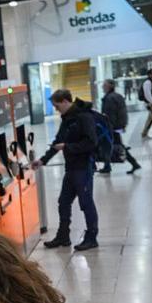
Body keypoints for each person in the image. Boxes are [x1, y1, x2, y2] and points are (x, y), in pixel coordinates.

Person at [34, 90, 99, 251]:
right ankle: (63, 236)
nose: (56, 109)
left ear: (64, 101)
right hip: (71, 168)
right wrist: (43, 160)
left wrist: (68, 147)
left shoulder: (83, 117)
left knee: (86, 203)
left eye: (57, 106)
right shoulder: (67, 119)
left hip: (83, 168)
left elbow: (91, 142)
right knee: (63, 202)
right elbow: (58, 141)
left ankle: (92, 237)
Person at [98, 79, 141, 175]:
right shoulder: (117, 96)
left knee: (115, 145)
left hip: (112, 127)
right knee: (110, 145)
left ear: (109, 86)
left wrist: (108, 127)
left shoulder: (109, 98)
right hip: (118, 125)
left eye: (104, 85)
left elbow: (110, 114)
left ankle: (134, 163)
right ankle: (107, 166)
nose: (102, 87)